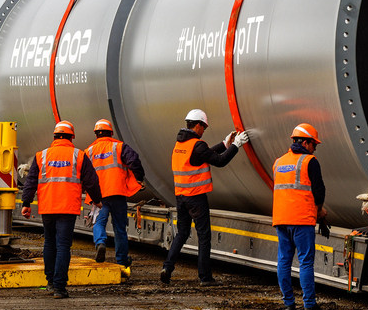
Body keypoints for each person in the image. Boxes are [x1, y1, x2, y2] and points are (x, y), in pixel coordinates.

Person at [160, 108, 248, 286]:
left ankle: (167, 268)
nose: (204, 130)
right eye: (204, 127)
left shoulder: (180, 145)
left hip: (181, 197)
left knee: (182, 233)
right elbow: (219, 161)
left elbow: (202, 155)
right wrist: (236, 145)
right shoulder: (197, 145)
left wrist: (225, 144)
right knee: (204, 236)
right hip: (196, 198)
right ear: (198, 125)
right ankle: (205, 277)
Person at [20, 120, 103, 299]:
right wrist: (97, 200)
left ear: (55, 136)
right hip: (68, 207)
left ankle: (50, 282)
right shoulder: (78, 155)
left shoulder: (41, 155)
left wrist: (26, 203)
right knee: (63, 245)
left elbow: (31, 181)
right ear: (71, 137)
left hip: (47, 207)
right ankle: (59, 287)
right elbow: (92, 181)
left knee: (49, 243)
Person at [272, 122, 329, 310]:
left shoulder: (278, 162)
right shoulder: (309, 161)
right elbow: (319, 191)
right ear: (305, 142)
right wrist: (320, 211)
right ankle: (309, 307)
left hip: (281, 219)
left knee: (284, 261)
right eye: (314, 144)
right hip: (302, 219)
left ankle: (288, 307)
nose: (315, 149)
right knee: (305, 262)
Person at [85, 118, 145, 267]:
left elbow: (83, 173)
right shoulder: (119, 147)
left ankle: (100, 243)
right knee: (120, 228)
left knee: (99, 223)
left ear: (96, 134)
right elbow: (134, 160)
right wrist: (139, 178)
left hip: (99, 196)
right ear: (111, 133)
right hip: (118, 193)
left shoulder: (89, 151)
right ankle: (122, 261)